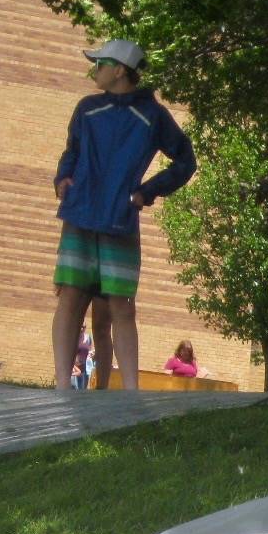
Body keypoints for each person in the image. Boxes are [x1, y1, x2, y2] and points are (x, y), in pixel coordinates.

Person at [51, 38, 196, 393]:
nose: (94, 70)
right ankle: (61, 387)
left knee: (122, 306)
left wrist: (147, 191)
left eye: (100, 64)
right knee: (70, 296)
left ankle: (130, 394)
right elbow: (72, 150)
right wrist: (63, 177)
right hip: (80, 214)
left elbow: (185, 160)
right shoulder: (86, 108)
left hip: (119, 219)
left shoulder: (151, 114)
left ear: (119, 70)